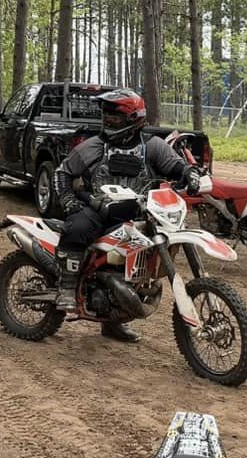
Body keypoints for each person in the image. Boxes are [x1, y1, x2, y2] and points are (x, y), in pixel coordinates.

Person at [50, 88, 199, 343]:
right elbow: (63, 172)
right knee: (77, 228)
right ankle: (66, 286)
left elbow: (175, 165)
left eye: (114, 117)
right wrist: (67, 200)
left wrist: (190, 173)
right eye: (105, 116)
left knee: (133, 270)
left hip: (139, 212)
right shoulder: (94, 146)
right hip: (98, 209)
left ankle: (114, 321)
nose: (107, 121)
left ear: (133, 119)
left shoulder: (151, 146)